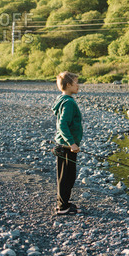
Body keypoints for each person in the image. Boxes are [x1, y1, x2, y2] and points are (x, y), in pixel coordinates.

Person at [53, 71, 83, 215]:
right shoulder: (69, 102)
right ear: (69, 85)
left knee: (65, 175)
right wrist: (72, 143)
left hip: (64, 146)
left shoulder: (63, 99)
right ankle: (63, 207)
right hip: (66, 147)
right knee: (67, 177)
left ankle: (63, 202)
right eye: (76, 83)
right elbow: (62, 125)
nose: (78, 85)